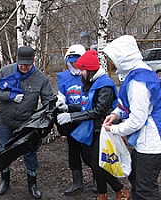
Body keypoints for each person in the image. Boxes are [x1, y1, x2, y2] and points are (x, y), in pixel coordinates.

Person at [102, 35, 161, 200]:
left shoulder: (138, 83)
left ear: (123, 58)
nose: (112, 63)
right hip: (150, 137)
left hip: (153, 141)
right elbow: (126, 104)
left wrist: (114, 129)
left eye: (114, 59)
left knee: (146, 189)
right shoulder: (139, 70)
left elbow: (137, 120)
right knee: (136, 178)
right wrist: (115, 114)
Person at [57, 50, 129, 200]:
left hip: (102, 129)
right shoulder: (92, 82)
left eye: (82, 69)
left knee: (98, 164)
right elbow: (86, 107)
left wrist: (71, 116)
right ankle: (102, 195)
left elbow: (98, 111)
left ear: (90, 69)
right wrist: (68, 107)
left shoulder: (105, 85)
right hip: (92, 129)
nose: (80, 72)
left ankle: (120, 190)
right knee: (90, 160)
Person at [0, 45, 55, 199]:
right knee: (4, 151)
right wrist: (8, 96)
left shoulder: (40, 78)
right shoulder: (6, 72)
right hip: (5, 120)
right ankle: (5, 180)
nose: (23, 67)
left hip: (27, 124)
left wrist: (46, 116)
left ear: (34, 61)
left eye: (27, 64)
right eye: (21, 63)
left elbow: (48, 101)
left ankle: (32, 183)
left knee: (29, 152)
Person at [56, 44, 97, 195]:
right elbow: (62, 92)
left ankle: (97, 181)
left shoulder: (90, 75)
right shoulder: (63, 76)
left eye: (76, 61)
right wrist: (60, 101)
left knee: (90, 152)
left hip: (87, 120)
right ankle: (77, 183)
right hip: (71, 120)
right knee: (73, 152)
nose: (74, 64)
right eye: (71, 61)